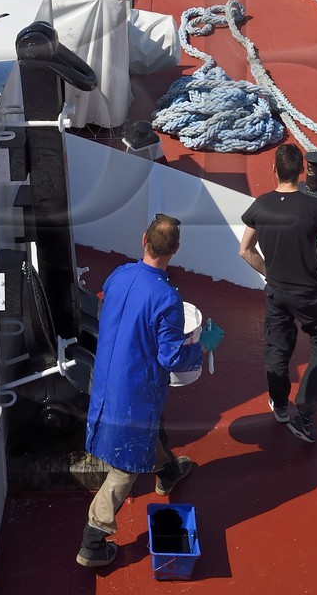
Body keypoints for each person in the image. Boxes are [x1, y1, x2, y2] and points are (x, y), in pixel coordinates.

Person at [79, 214, 224, 569]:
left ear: (143, 239)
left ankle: (168, 471)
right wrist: (204, 344)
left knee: (145, 437)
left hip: (104, 381)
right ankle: (92, 542)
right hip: (135, 393)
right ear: (175, 250)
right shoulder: (167, 299)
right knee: (124, 469)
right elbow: (171, 356)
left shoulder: (118, 275)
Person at [239, 144, 317, 443]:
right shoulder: (315, 209)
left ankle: (280, 406)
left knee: (277, 349)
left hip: (277, 293)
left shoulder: (260, 206)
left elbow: (245, 250)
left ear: (274, 170)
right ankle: (305, 416)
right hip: (309, 294)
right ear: (301, 172)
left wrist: (270, 273)